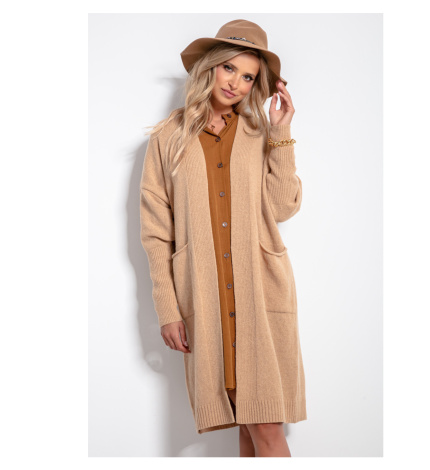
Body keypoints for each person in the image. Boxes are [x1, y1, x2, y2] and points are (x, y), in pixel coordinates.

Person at [140, 19, 306, 457]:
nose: (235, 83)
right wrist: (167, 308)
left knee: (265, 425)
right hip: (206, 301)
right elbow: (156, 232)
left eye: (248, 77)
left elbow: (283, 206)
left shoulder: (259, 134)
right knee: (248, 429)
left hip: (260, 297)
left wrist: (281, 132)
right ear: (210, 67)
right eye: (229, 68)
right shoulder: (168, 139)